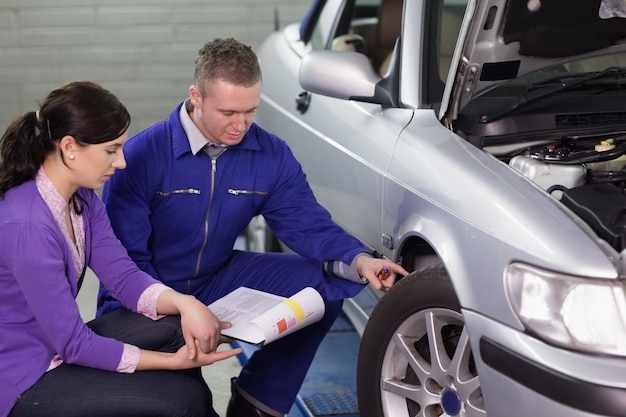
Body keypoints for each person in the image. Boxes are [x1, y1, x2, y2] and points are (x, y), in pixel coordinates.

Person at [97, 38, 409, 417]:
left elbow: (306, 221)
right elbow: (126, 261)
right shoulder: (142, 156)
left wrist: (359, 261)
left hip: (217, 276)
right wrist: (181, 313)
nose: (240, 125)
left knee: (320, 290)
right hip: (147, 293)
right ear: (196, 96)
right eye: (228, 112)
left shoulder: (269, 154)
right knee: (186, 401)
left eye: (250, 111)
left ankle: (256, 403)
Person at [0, 81, 243, 417]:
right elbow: (74, 345)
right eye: (111, 150)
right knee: (181, 402)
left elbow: (124, 277)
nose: (122, 162)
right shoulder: (27, 226)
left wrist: (186, 303)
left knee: (176, 327)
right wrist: (171, 363)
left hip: (55, 348)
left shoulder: (81, 199)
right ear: (70, 146)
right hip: (23, 378)